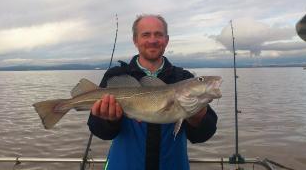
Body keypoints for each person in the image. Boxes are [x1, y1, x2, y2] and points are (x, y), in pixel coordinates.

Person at [87, 14, 218, 170]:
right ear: (135, 40)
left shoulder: (183, 78)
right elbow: (98, 130)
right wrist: (109, 120)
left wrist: (197, 114)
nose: (153, 40)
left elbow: (203, 135)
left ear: (166, 40)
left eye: (158, 34)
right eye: (146, 34)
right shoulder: (116, 76)